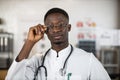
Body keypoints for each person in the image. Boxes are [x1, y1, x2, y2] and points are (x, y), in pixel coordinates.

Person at [5, 7, 111, 80]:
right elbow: (12, 78)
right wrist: (29, 42)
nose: (56, 30)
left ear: (68, 28)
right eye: (50, 26)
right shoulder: (37, 61)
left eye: (60, 25)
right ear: (45, 30)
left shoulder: (88, 60)